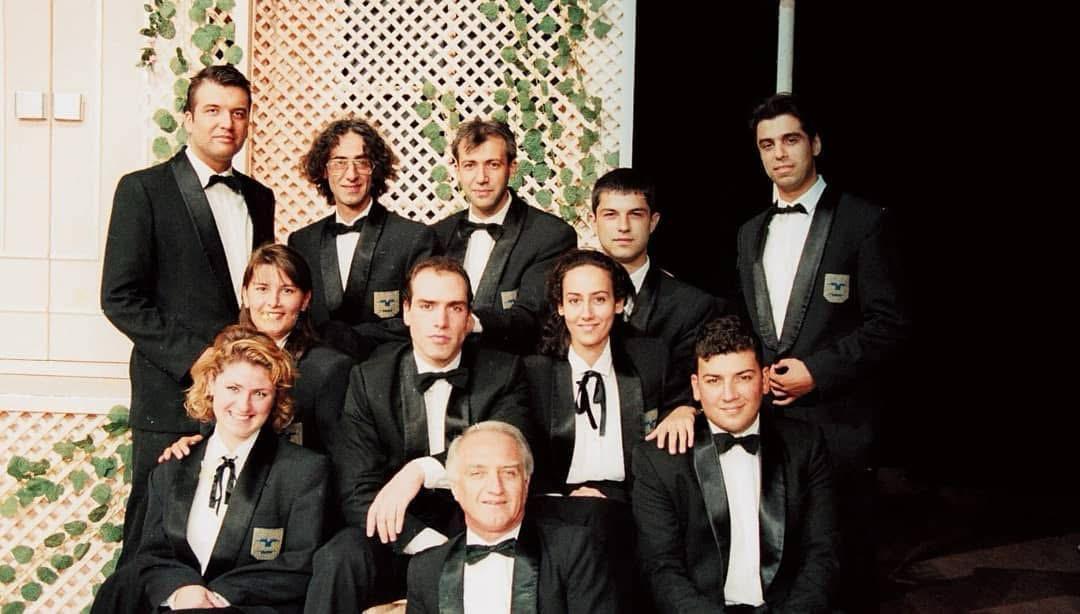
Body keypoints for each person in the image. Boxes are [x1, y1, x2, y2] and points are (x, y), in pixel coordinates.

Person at [737, 92, 909, 608]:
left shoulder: (864, 221)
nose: (779, 154)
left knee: (844, 564)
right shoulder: (749, 232)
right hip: (769, 421)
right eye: (767, 145)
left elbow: (889, 325)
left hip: (839, 423)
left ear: (815, 143)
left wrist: (817, 371)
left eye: (790, 140)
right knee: (779, 560)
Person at [100, 64, 275, 564]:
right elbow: (120, 297)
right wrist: (198, 360)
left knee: (222, 535)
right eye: (213, 110)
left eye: (238, 113)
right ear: (189, 118)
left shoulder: (259, 198)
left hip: (241, 400)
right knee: (150, 538)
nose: (227, 123)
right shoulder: (143, 190)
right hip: (171, 396)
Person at [305, 257, 532, 613]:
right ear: (407, 312)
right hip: (399, 531)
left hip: (479, 526)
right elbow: (357, 489)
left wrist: (420, 470)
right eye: (427, 306)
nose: (441, 322)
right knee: (339, 557)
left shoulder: (503, 372)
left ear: (468, 317)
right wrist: (426, 544)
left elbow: (505, 456)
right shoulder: (369, 379)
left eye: (454, 307)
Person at [92, 326, 330, 613]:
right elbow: (153, 555)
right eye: (233, 388)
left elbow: (300, 565)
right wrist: (182, 591)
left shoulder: (303, 471)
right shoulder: (172, 467)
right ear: (211, 385)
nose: (244, 405)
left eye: (260, 393)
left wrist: (216, 598)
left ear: (276, 398)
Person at [632, 315, 838, 612]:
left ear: (764, 380)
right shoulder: (658, 459)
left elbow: (822, 555)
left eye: (743, 377)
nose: (729, 395)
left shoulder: (805, 445)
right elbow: (661, 570)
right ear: (696, 387)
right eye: (714, 381)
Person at [524, 248, 678, 611]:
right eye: (574, 300)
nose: (587, 314)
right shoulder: (535, 371)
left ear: (619, 303)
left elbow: (685, 393)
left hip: (631, 501)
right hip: (559, 503)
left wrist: (683, 409)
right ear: (560, 307)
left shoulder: (650, 359)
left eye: (599, 299)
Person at [161, 244, 355, 459]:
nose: (273, 302)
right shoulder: (221, 356)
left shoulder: (328, 368)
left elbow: (339, 458)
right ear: (245, 294)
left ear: (305, 300)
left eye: (287, 291)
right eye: (262, 289)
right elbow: (214, 433)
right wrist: (195, 448)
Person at [406, 421, 617, 614]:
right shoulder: (426, 568)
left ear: (526, 484)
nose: (495, 488)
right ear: (455, 488)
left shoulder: (573, 550)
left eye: (508, 473)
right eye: (478, 474)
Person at [590, 167, 729, 454]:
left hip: (658, 450)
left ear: (653, 222)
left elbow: (694, 387)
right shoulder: (571, 296)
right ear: (594, 221)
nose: (623, 226)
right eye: (611, 214)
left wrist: (686, 408)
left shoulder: (693, 306)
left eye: (635, 214)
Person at [288, 118, 438, 360]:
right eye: (339, 163)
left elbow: (422, 317)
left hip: (385, 370)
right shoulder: (302, 241)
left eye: (362, 162)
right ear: (324, 170)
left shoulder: (414, 238)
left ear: (375, 169)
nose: (351, 174)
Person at [434, 119, 577, 353]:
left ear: (512, 168)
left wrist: (469, 322)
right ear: (457, 169)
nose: (481, 178)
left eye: (493, 165)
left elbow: (533, 317)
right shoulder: (437, 234)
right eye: (470, 165)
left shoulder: (551, 235)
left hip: (514, 366)